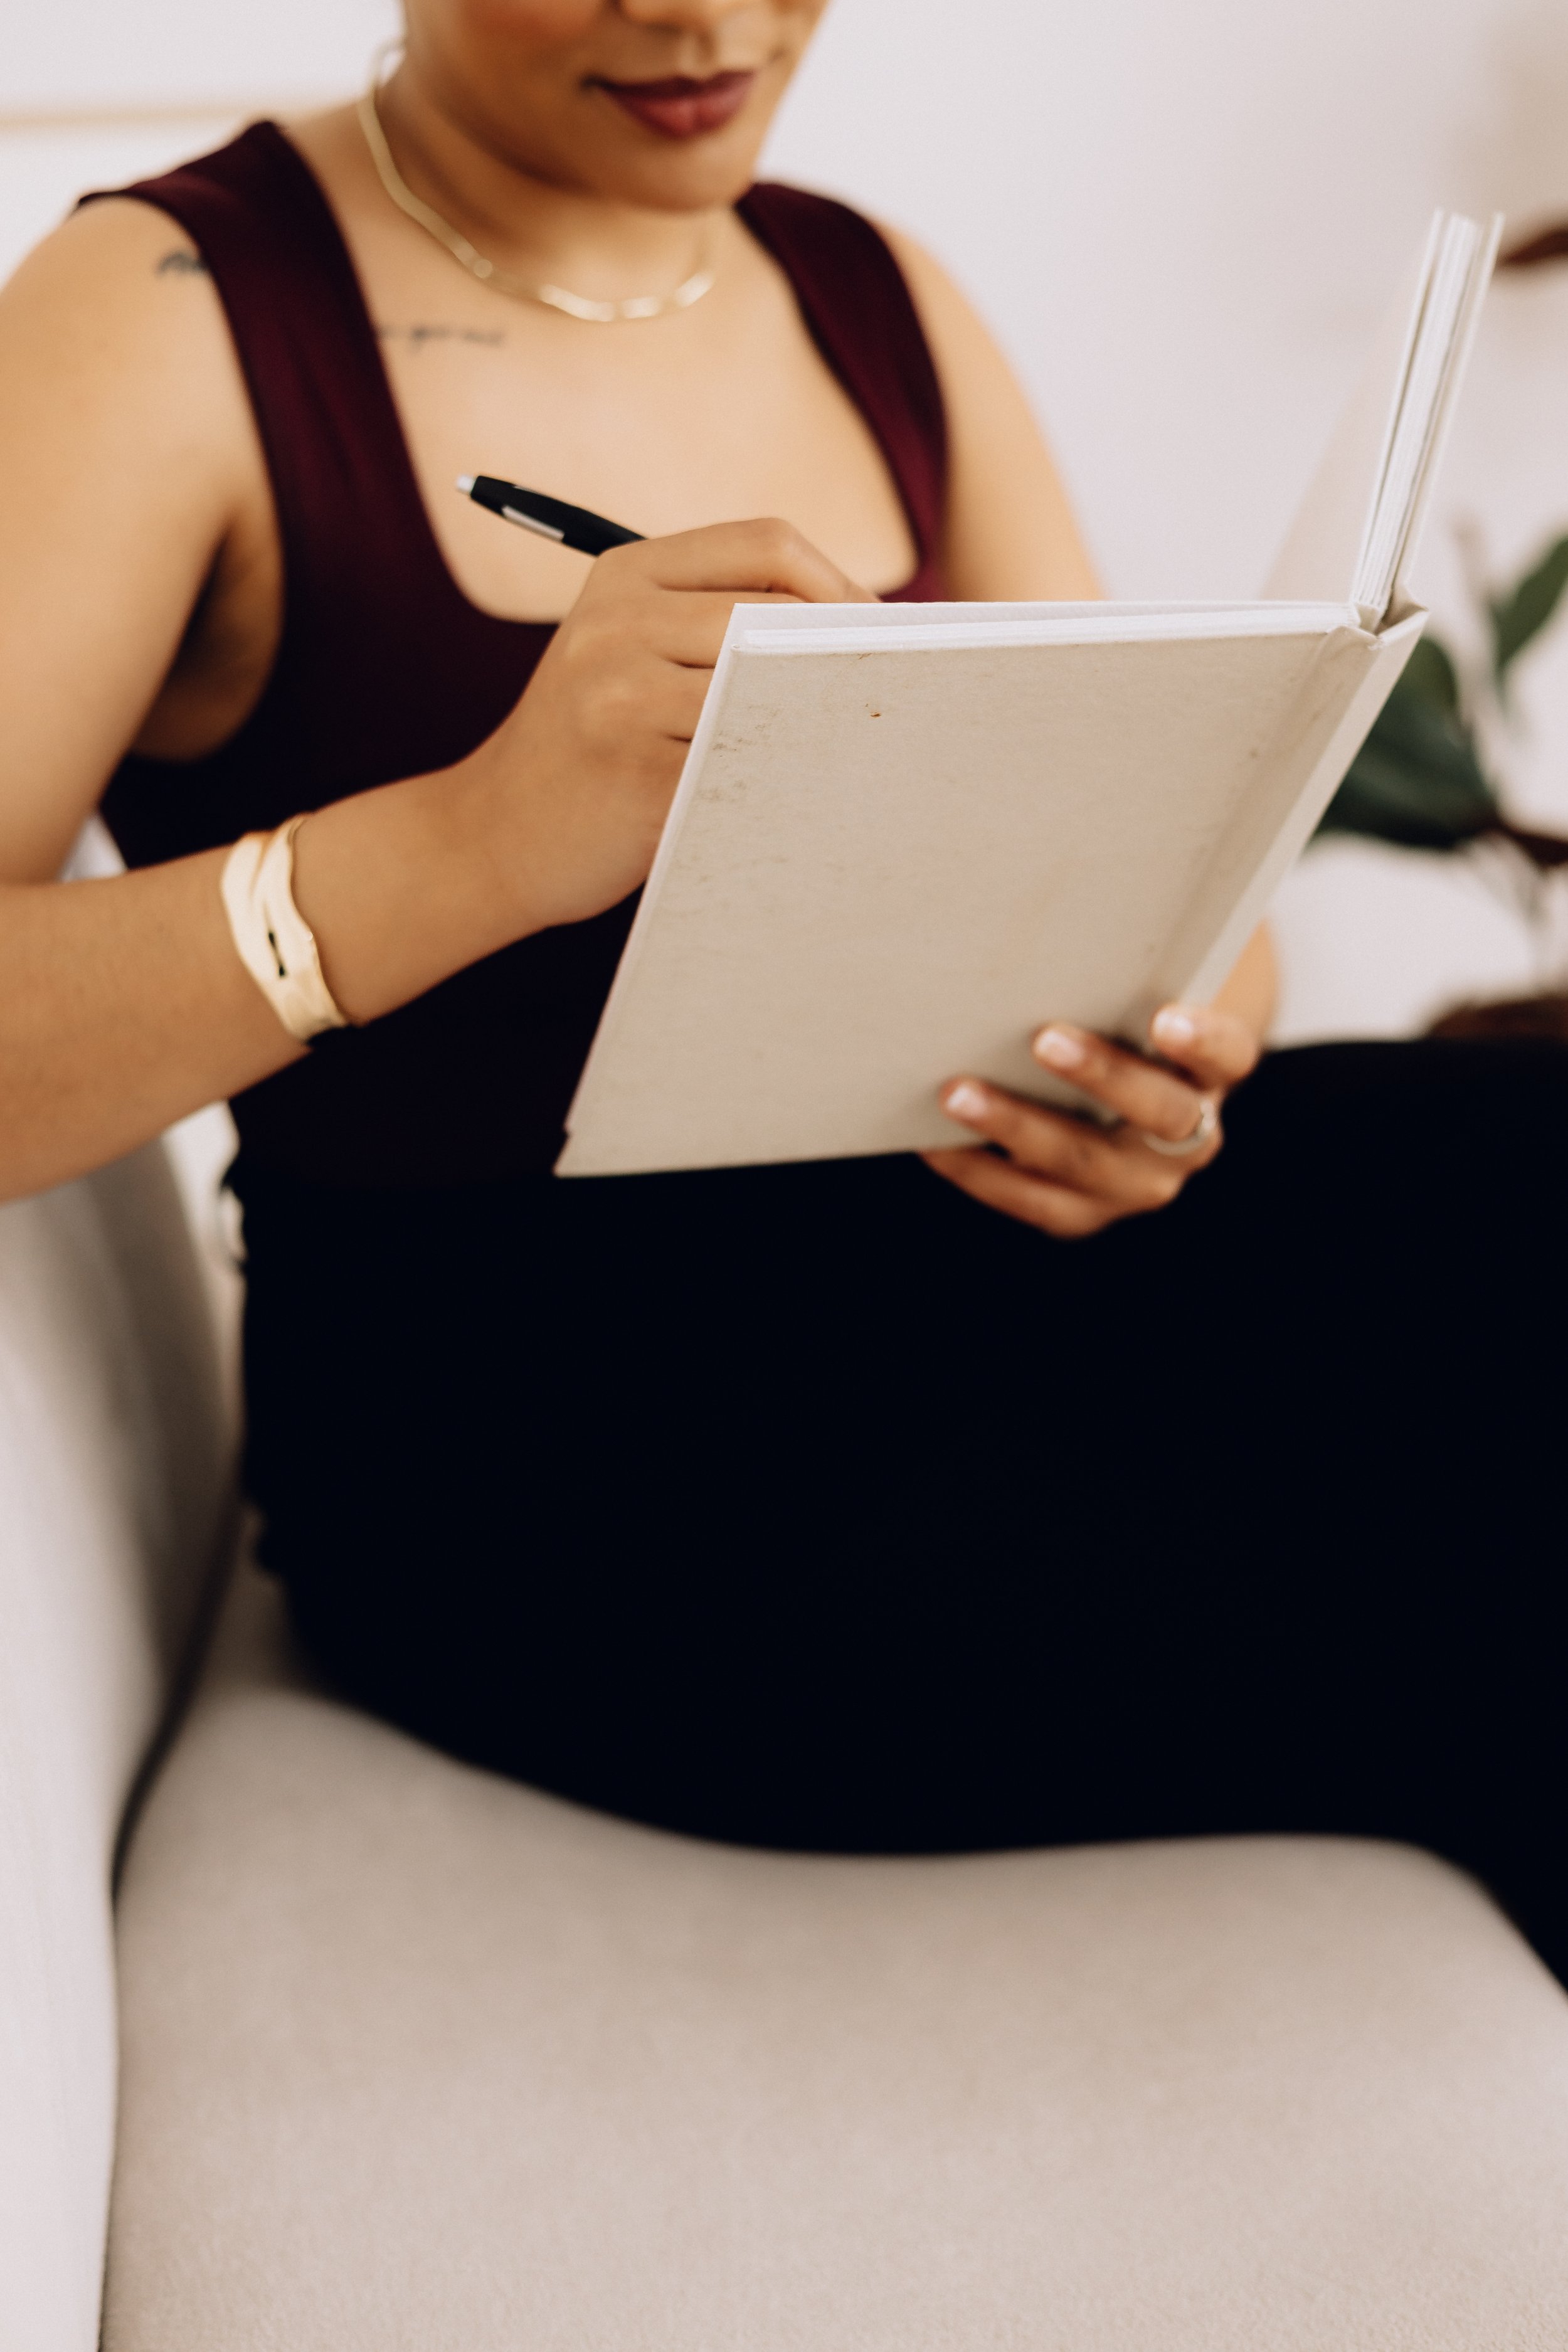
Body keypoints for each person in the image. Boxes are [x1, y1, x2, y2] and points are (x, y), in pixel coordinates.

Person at [3, 2, 1567, 1975]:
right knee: (1486, 1591)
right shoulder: (162, 311)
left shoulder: (867, 290)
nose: (704, 16)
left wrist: (1167, 1068)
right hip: (556, 1471)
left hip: (973, 1276)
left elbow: (1169, 867)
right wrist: (471, 839)